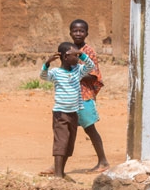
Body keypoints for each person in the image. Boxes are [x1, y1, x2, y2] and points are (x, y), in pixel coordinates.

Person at [40, 19, 109, 177]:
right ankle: (58, 166)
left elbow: (93, 74)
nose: (78, 33)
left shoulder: (87, 52)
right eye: (75, 31)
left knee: (90, 128)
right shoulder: (67, 49)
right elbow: (56, 72)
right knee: (65, 133)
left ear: (87, 33)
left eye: (81, 31)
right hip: (69, 99)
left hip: (83, 96)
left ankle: (103, 161)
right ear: (70, 32)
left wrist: (75, 73)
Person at [40, 41, 95, 178]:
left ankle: (61, 172)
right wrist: (47, 63)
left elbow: (91, 66)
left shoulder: (78, 70)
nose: (77, 58)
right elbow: (43, 76)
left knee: (69, 143)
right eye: (74, 55)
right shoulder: (56, 73)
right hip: (60, 114)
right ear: (65, 57)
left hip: (73, 113)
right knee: (61, 142)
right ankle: (58, 176)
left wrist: (82, 55)